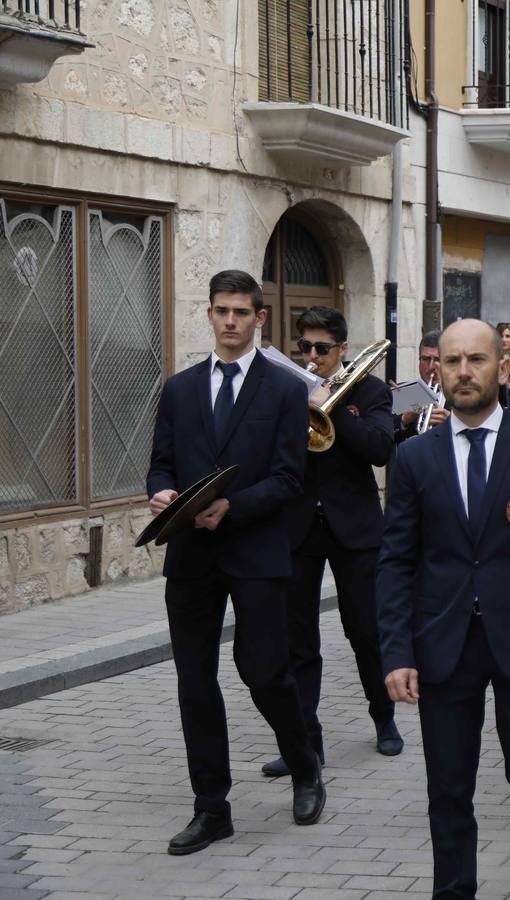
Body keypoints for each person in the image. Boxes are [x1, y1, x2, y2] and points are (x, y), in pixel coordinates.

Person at [377, 319, 510, 899]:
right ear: (437, 370)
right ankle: (454, 891)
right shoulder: (414, 458)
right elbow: (395, 563)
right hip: (443, 646)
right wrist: (396, 653)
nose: (464, 372)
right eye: (451, 362)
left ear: (502, 366)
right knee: (448, 786)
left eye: (476, 360)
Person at [146, 270, 325, 855]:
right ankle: (211, 808)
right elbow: (160, 464)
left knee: (265, 672)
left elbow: (289, 479)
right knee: (194, 682)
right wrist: (163, 494)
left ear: (258, 318)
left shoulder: (282, 390)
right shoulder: (179, 388)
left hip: (254, 550)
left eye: (241, 313)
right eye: (221, 311)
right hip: (191, 555)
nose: (230, 321)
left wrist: (232, 506)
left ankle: (304, 766)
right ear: (210, 314)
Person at [258, 307, 400, 780]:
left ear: (342, 349)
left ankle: (384, 717)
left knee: (365, 631)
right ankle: (305, 743)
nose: (313, 356)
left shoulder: (372, 391)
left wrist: (332, 404)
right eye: (305, 347)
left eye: (322, 348)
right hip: (298, 524)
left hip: (355, 526)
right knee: (298, 638)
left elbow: (380, 449)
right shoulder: (286, 390)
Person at [395, 333, 447, 442]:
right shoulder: (401, 391)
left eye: (437, 359)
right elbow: (384, 440)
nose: (431, 366)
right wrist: (404, 420)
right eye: (426, 359)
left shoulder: (462, 396)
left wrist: (451, 423)